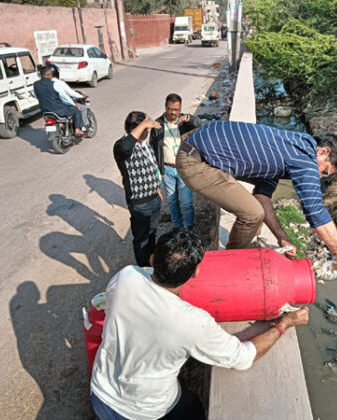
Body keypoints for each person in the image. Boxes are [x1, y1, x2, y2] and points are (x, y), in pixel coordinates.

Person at [90, 227, 309, 420]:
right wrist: (285, 323)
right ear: (195, 273)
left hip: (100, 393)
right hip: (145, 412)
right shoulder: (192, 322)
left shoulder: (125, 277)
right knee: (193, 409)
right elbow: (243, 357)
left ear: (152, 260)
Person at [176, 120, 337, 270]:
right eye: (325, 171)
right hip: (194, 160)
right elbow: (315, 210)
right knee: (252, 214)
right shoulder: (305, 159)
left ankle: (242, 252)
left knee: (256, 210)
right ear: (323, 151)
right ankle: (229, 264)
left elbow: (263, 198)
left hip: (197, 141)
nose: (319, 176)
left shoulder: (290, 148)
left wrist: (282, 237)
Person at [113, 111, 162, 267]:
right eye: (144, 129)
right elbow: (125, 147)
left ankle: (151, 262)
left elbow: (152, 167)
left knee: (152, 233)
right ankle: (143, 268)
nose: (147, 132)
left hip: (154, 198)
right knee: (142, 239)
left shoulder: (145, 145)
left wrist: (157, 189)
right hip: (140, 203)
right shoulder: (122, 146)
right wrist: (143, 125)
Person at [150, 93, 201, 229]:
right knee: (172, 201)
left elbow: (198, 124)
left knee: (186, 202)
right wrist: (157, 170)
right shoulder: (158, 124)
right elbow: (153, 149)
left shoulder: (185, 122)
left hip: (184, 168)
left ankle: (189, 228)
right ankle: (177, 227)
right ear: (165, 107)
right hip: (167, 169)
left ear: (180, 108)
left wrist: (188, 118)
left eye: (176, 109)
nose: (173, 112)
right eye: (170, 109)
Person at [33, 66, 84, 137]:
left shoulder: (35, 84)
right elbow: (64, 96)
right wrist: (74, 104)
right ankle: (77, 130)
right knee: (76, 111)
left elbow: (36, 96)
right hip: (58, 110)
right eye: (51, 74)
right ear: (49, 75)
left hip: (45, 110)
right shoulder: (54, 84)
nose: (52, 76)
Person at [48, 63, 89, 127]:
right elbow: (69, 93)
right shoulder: (59, 83)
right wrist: (81, 96)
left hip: (49, 108)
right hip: (61, 107)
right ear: (56, 73)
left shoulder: (44, 84)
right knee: (82, 108)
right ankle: (82, 126)